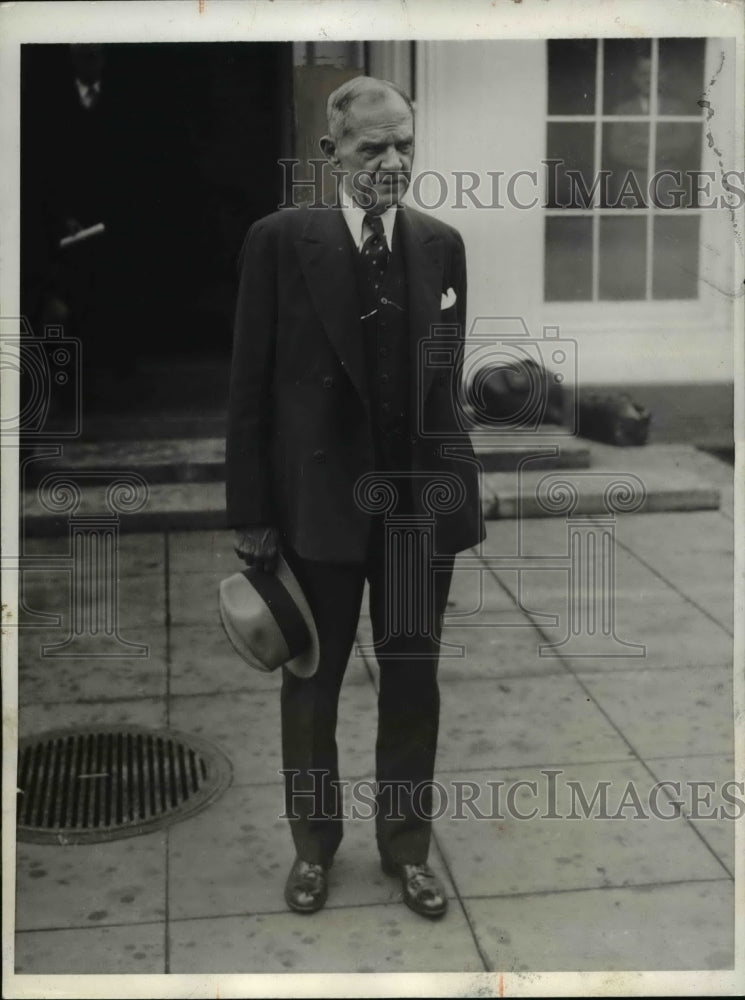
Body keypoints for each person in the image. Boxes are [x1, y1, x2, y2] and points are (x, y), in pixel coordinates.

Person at [225, 76, 484, 919]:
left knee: (413, 682)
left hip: (414, 515)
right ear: (330, 152)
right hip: (317, 513)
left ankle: (406, 849)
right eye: (372, 147)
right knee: (312, 685)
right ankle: (313, 848)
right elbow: (249, 390)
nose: (392, 161)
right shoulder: (277, 243)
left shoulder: (440, 244)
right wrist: (254, 514)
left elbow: (440, 387)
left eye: (404, 143)